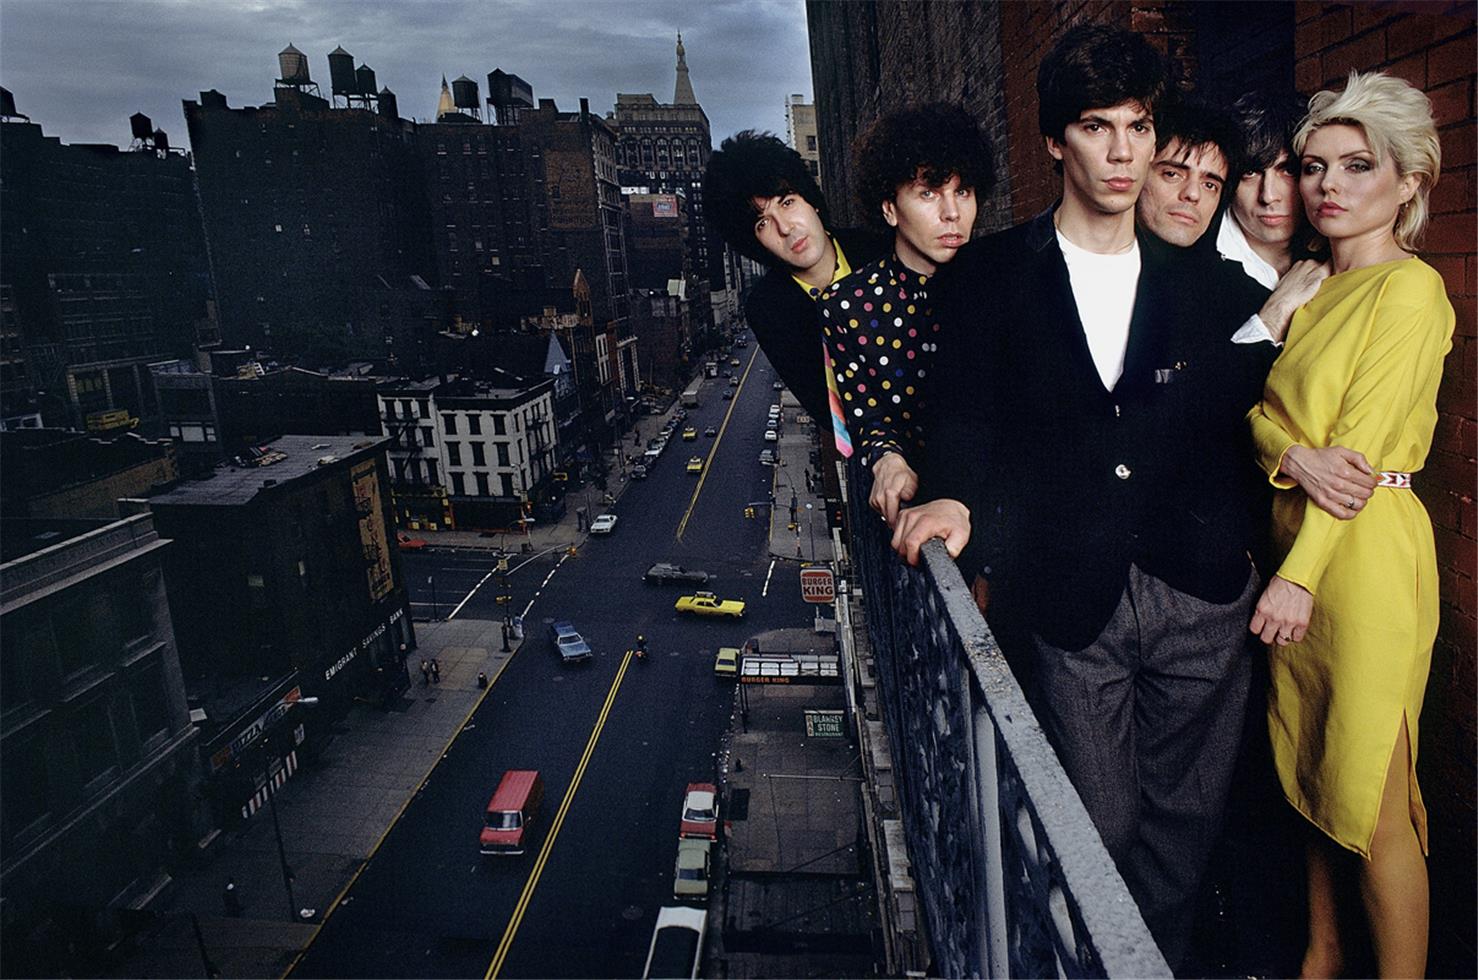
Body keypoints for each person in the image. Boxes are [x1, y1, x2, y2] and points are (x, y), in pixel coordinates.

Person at [894, 24, 1280, 968]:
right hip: (1070, 596)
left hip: (1200, 594)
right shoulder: (990, 275)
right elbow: (966, 416)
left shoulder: (1218, 290)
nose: (1121, 151)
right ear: (1057, 140)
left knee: (1185, 835)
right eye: (1097, 127)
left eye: (1138, 127)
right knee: (1096, 828)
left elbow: (1243, 418)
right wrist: (947, 495)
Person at [1246, 70, 1452, 979]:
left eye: (1358, 165)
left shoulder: (1411, 292)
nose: (1328, 184)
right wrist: (1288, 457)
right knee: (1314, 770)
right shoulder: (1309, 289)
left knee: (1373, 788)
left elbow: (1359, 452)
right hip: (1297, 538)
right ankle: (1320, 957)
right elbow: (1257, 418)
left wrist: (1297, 576)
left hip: (1361, 554)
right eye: (1314, 165)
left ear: (1409, 182)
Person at [817, 102, 993, 525]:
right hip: (915, 520)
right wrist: (887, 461)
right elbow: (868, 416)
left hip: (999, 508)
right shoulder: (848, 306)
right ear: (890, 208)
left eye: (963, 191)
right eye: (929, 193)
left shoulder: (1001, 281)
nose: (951, 212)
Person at [704, 132, 888, 427]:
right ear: (754, 243)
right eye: (763, 223)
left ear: (811, 200)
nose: (786, 228)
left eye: (787, 202)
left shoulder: (882, 251)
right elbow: (827, 412)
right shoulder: (768, 310)